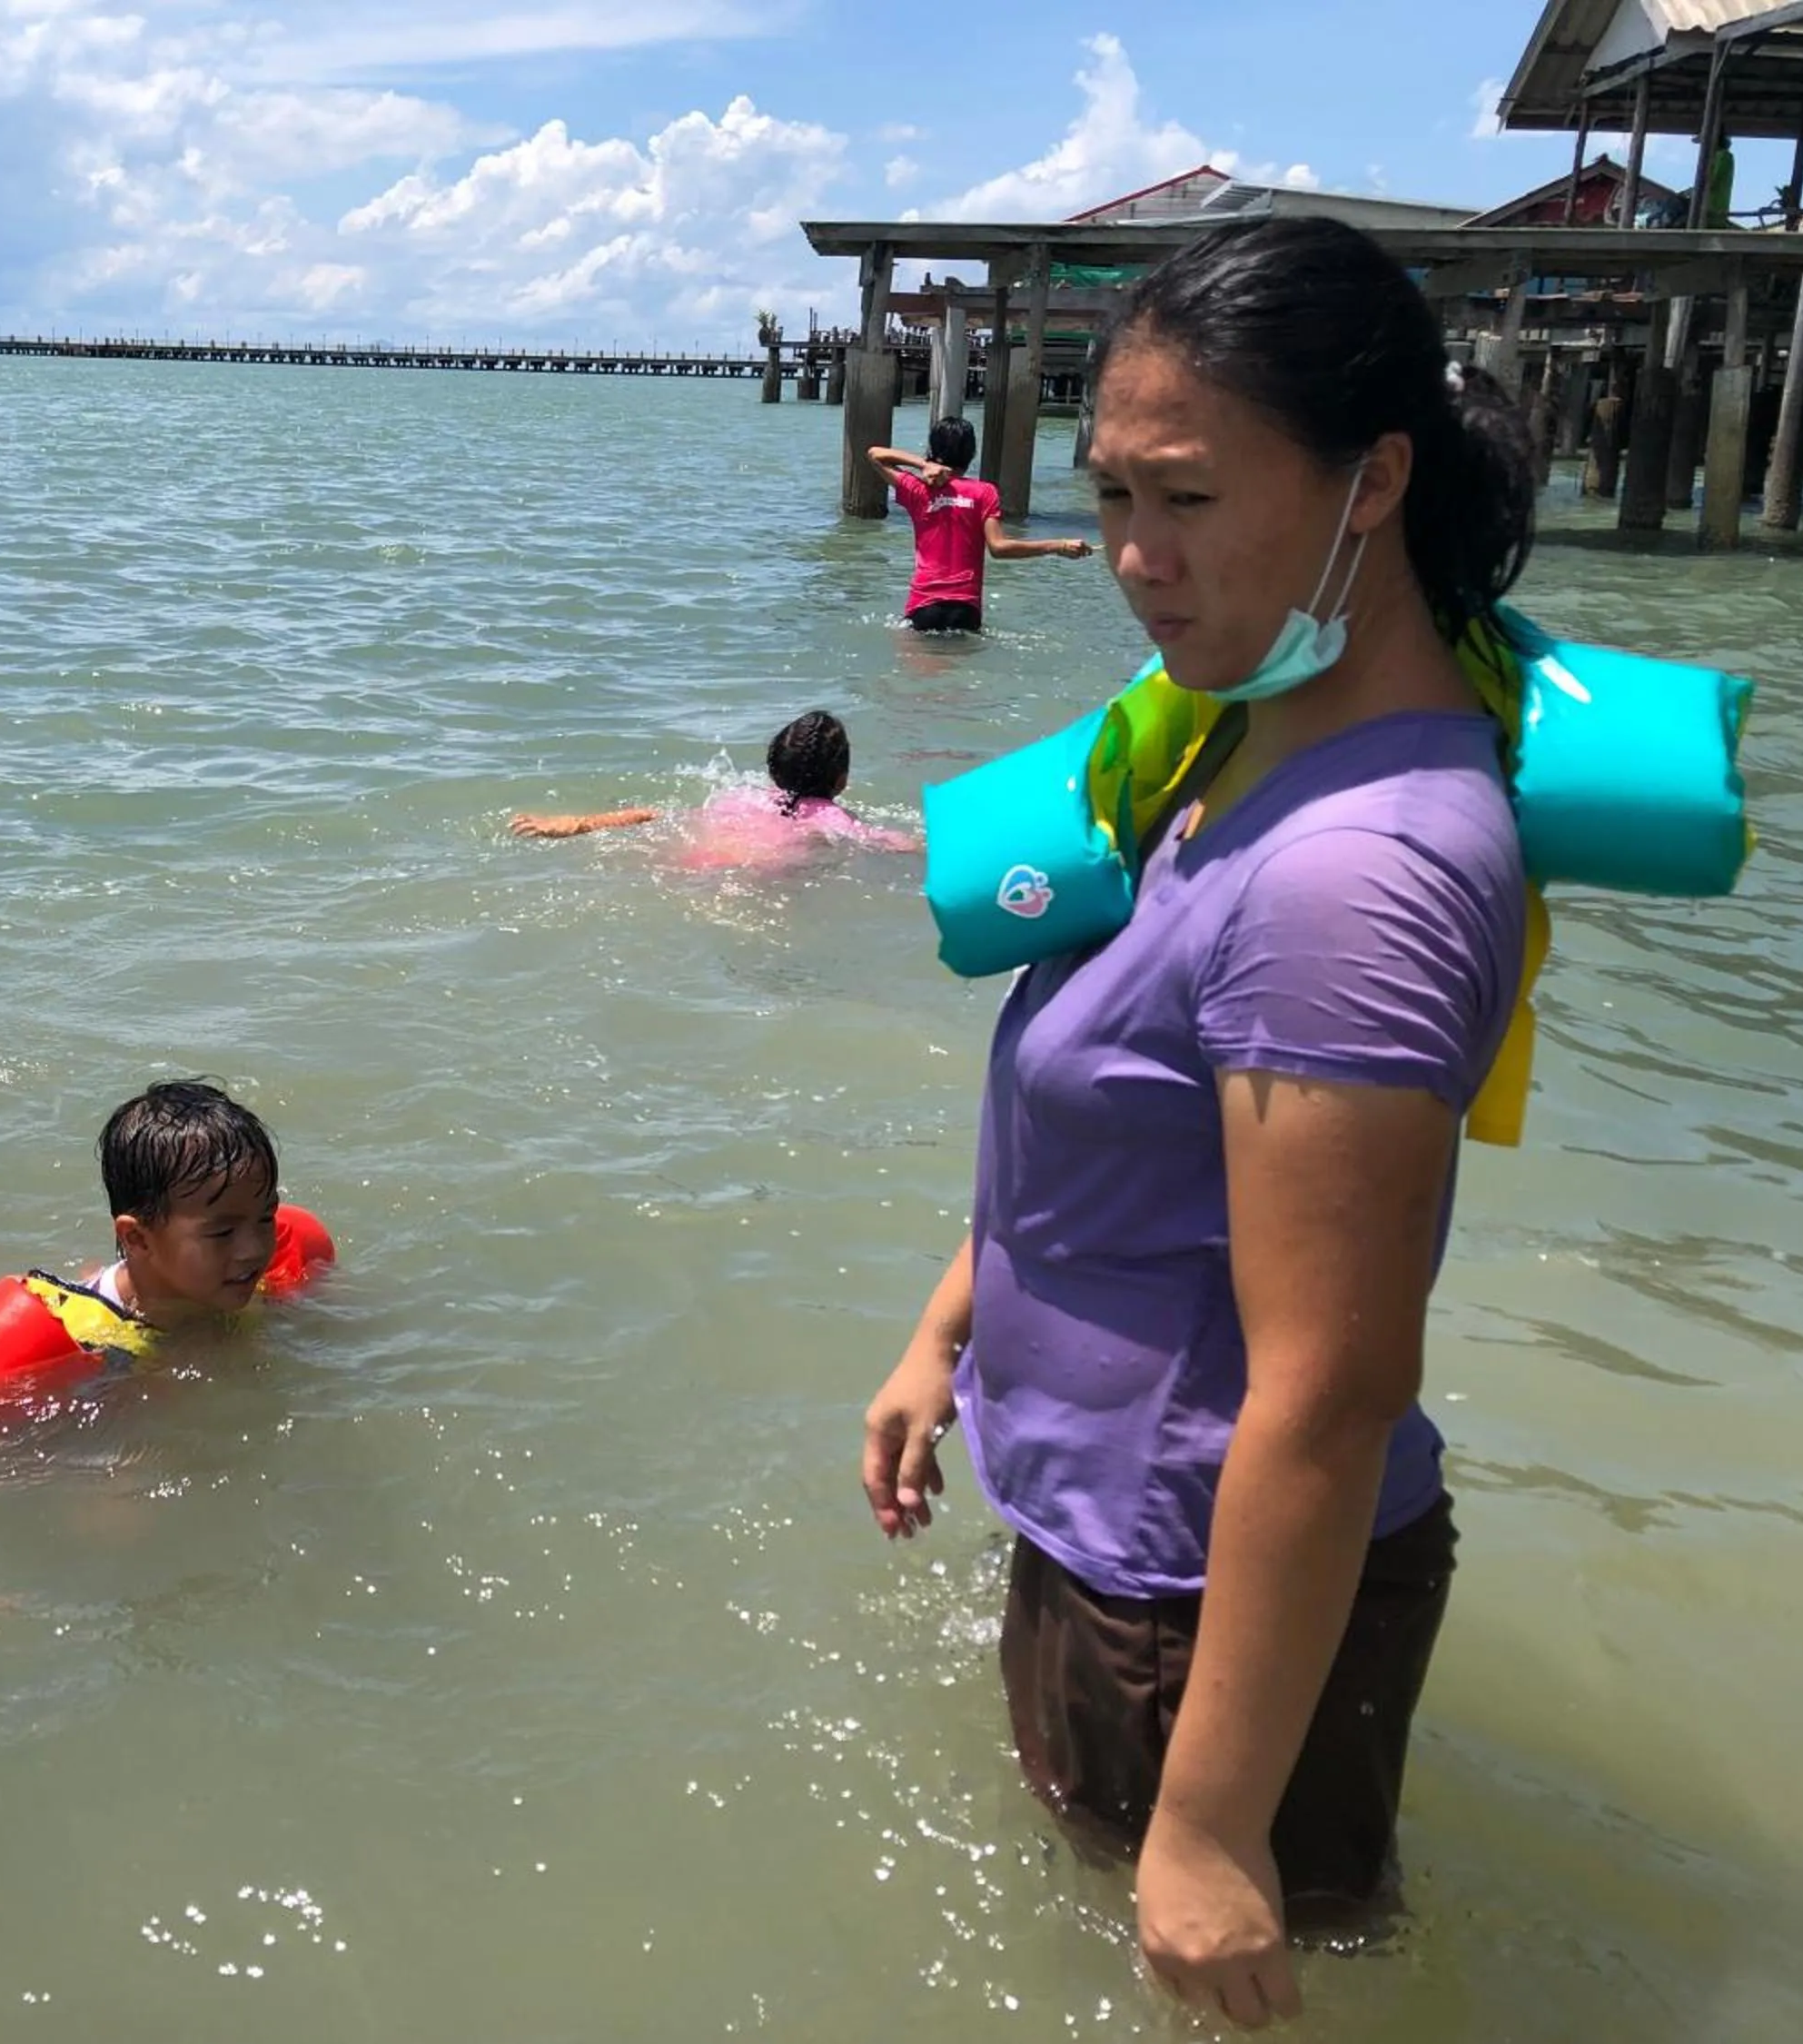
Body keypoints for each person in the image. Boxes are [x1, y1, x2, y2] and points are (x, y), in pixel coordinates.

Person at [858, 214, 1536, 2029]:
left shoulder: (1354, 879)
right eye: (1112, 498)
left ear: (1372, 480)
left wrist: (1218, 1823)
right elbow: (1125, 1119)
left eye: (1191, 501)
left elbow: (1328, 1385)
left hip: (1191, 1597)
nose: (1137, 562)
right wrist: (951, 1331)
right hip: (1139, 1547)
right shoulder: (1246, 738)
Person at [0, 1080, 333, 1401]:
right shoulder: (96, 1350)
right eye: (223, 1232)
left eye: (264, 1218)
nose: (255, 1249)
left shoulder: (262, 1279)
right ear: (137, 1238)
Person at [508, 709, 917, 858]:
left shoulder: (741, 796)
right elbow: (896, 844)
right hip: (750, 879)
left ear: (773, 768)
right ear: (842, 779)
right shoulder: (834, 821)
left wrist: (578, 824)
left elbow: (652, 816)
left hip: (689, 860)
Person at [866, 416, 1092, 631]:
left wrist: (923, 464)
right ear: (971, 453)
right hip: (966, 611)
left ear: (932, 450)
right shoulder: (984, 492)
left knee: (917, 669)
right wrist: (1058, 545)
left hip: (924, 607)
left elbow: (875, 454)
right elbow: (999, 548)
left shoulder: (918, 490)